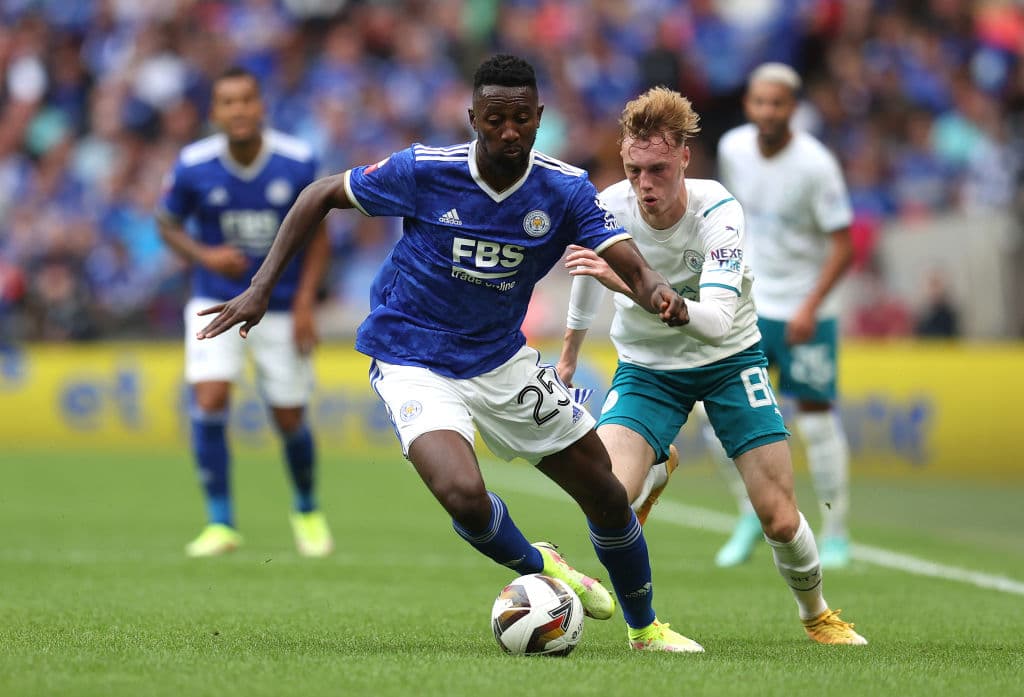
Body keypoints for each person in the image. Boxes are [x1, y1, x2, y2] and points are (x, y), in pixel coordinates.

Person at [194, 54, 702, 653]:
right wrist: (259, 287)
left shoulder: (563, 190)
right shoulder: (423, 171)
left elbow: (634, 268)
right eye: (494, 119)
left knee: (607, 494)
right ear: (472, 118)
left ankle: (646, 630)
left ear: (539, 118)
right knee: (462, 492)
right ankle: (540, 564)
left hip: (501, 360)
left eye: (520, 118)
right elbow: (318, 194)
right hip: (412, 357)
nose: (508, 131)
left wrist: (660, 292)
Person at [557, 86, 867, 645]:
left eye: (656, 169)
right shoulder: (607, 205)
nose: (644, 185)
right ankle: (654, 469)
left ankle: (818, 614)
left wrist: (630, 282)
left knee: (777, 515)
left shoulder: (719, 210)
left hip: (729, 360)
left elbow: (717, 321)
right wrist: (569, 356)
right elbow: (586, 270)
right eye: (633, 171)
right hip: (649, 367)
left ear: (683, 157)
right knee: (604, 499)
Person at [156, 66, 334, 558]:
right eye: (227, 103)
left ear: (261, 107)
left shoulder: (297, 161)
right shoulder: (193, 165)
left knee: (289, 416)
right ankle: (220, 523)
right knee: (210, 401)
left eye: (246, 101)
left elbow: (320, 237)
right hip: (214, 300)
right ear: (214, 113)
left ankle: (307, 510)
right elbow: (165, 221)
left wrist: (304, 305)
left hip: (279, 306)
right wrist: (203, 255)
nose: (238, 110)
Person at [712, 63, 856, 569]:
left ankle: (836, 532)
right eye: (759, 102)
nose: (767, 111)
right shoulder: (732, 149)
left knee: (815, 421)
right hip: (748, 302)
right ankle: (752, 511)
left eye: (777, 103)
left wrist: (810, 308)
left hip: (805, 309)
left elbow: (844, 245)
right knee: (718, 417)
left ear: (792, 108)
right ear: (749, 104)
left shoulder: (816, 165)